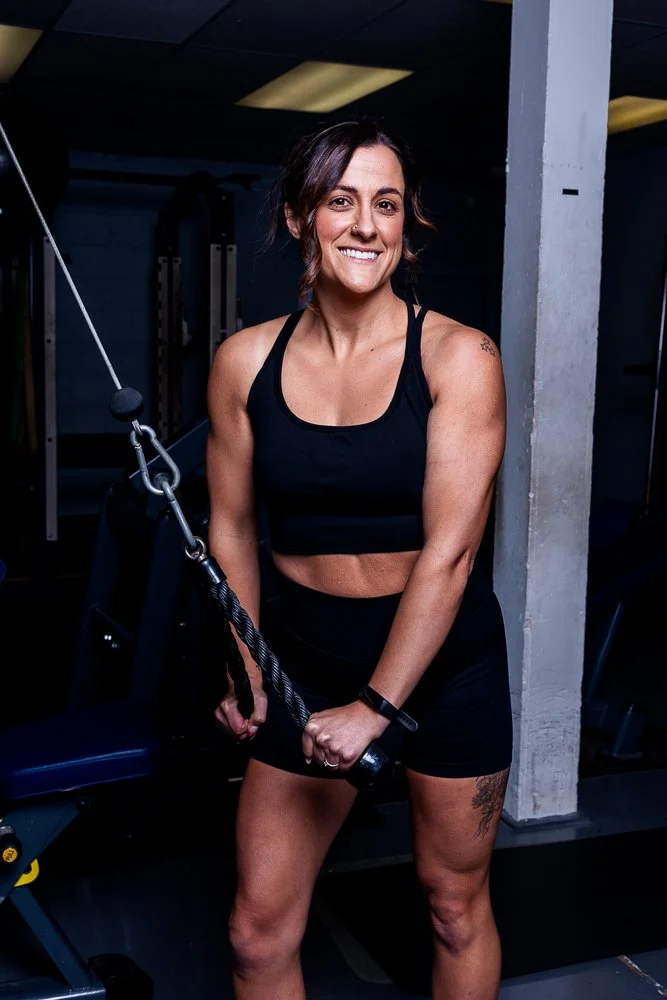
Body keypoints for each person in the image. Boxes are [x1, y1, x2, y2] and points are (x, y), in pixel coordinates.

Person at [206, 118, 512, 1000]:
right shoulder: (244, 361)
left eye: (385, 204)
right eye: (341, 201)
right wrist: (245, 664)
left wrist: (377, 704)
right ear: (302, 216)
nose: (366, 225)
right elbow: (229, 527)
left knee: (453, 906)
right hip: (304, 660)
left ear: (406, 223)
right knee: (255, 935)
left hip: (440, 669)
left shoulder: (460, 356)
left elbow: (451, 555)